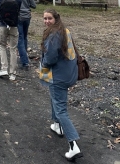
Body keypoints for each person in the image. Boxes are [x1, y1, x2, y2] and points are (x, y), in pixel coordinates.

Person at [40, 8, 82, 161]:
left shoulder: (53, 35)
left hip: (58, 76)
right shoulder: (65, 30)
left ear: (55, 19)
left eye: (49, 18)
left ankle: (73, 146)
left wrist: (43, 63)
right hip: (69, 73)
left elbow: (50, 59)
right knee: (55, 99)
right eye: (44, 18)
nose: (46, 21)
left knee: (61, 109)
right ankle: (57, 126)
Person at [0, 0, 21, 81]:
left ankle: (4, 68)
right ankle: (13, 73)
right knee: (13, 48)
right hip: (14, 25)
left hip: (3, 25)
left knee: (2, 46)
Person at [14, 0, 36, 70]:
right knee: (25, 37)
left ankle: (25, 62)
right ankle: (24, 55)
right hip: (27, 16)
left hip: (18, 17)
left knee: (20, 38)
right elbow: (34, 5)